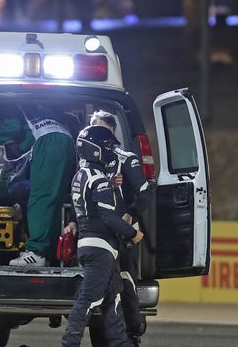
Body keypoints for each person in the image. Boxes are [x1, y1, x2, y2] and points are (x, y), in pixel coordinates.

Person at [61, 125, 144, 347]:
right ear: (95, 150)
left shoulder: (81, 175)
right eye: (107, 147)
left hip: (94, 248)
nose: (110, 151)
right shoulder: (97, 179)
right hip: (100, 250)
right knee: (86, 302)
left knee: (112, 303)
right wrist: (132, 232)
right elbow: (108, 216)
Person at [0, 103, 75, 266]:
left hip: (49, 141)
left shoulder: (2, 98)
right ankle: (48, 252)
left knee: (40, 199)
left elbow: (13, 127)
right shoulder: (29, 102)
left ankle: (37, 252)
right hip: (63, 141)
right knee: (52, 200)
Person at [91, 110, 154, 345]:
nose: (96, 134)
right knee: (99, 288)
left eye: (101, 128)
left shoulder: (126, 158)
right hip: (96, 235)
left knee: (125, 282)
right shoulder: (88, 161)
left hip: (122, 235)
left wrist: (130, 214)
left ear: (113, 130)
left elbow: (145, 193)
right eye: (93, 129)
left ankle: (131, 334)